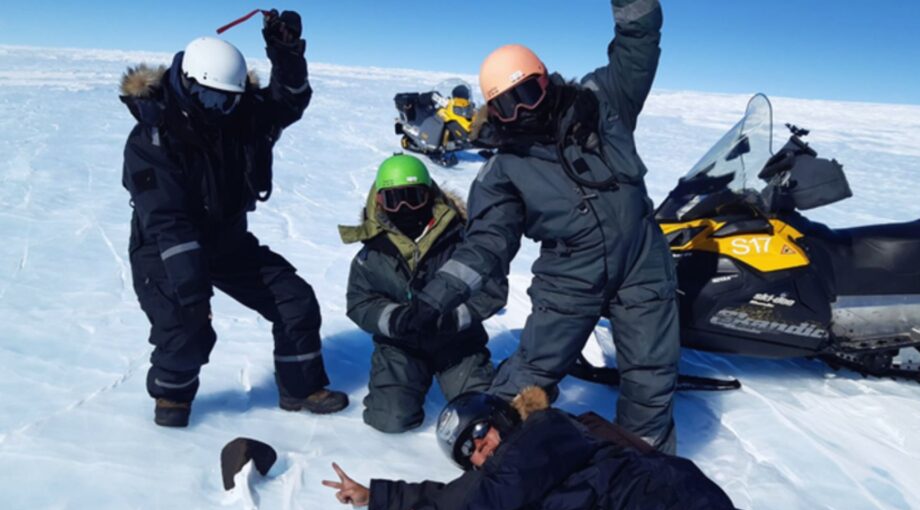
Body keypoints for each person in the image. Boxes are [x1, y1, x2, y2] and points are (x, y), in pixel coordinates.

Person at [389, 0, 681, 454]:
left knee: (651, 374)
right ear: (493, 112)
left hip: (643, 263)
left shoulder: (601, 104)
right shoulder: (503, 172)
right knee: (532, 371)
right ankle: (495, 451)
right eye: (505, 105)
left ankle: (647, 470)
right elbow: (485, 245)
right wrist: (433, 300)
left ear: (547, 81)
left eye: (529, 93)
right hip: (571, 278)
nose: (522, 111)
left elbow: (638, 44)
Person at [323, 390, 904, 510]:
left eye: (482, 433)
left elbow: (472, 497)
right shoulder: (496, 490)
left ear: (503, 421)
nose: (480, 449)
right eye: (468, 451)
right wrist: (378, 497)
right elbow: (458, 496)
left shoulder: (543, 432)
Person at [119, 10, 348, 427]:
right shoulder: (152, 138)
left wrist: (286, 52)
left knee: (293, 299)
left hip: (226, 240)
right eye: (210, 98)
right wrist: (194, 295)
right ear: (187, 84)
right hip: (164, 247)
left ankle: (300, 389)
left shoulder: (237, 113)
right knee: (189, 330)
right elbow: (167, 220)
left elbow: (290, 98)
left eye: (228, 99)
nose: (219, 109)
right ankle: (171, 400)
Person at [339, 154, 508, 432]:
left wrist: (451, 320)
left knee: (481, 414)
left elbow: (492, 289)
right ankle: (406, 383)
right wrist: (395, 320)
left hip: (457, 343)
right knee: (389, 421)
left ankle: (508, 377)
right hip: (401, 346)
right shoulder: (372, 252)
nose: (405, 207)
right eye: (395, 199)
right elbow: (359, 301)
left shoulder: (462, 239)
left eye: (414, 196)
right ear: (380, 202)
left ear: (429, 195)